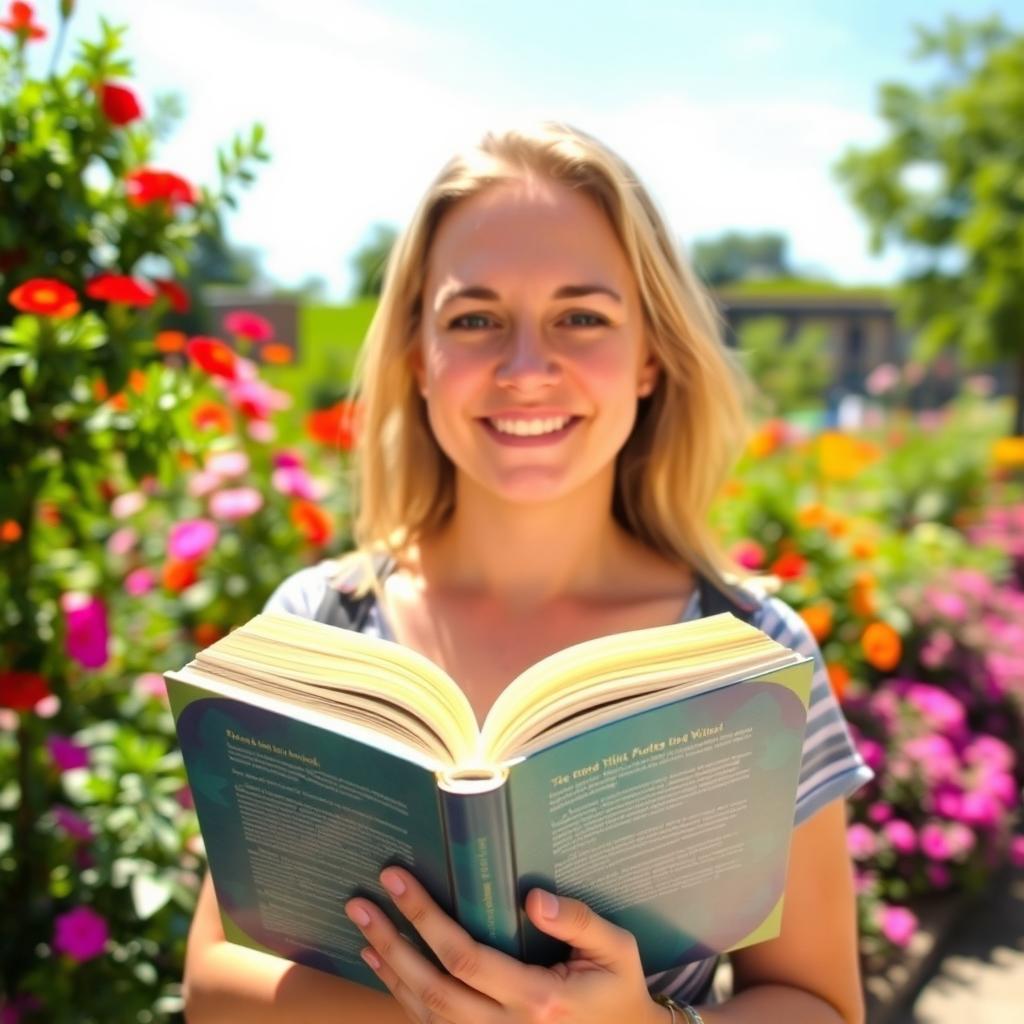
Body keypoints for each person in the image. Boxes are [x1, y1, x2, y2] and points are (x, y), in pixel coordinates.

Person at [182, 122, 872, 1024]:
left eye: (581, 316)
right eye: (474, 320)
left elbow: (819, 1004)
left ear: (652, 357)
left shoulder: (754, 660)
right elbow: (214, 988)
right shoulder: (314, 629)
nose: (525, 369)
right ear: (416, 361)